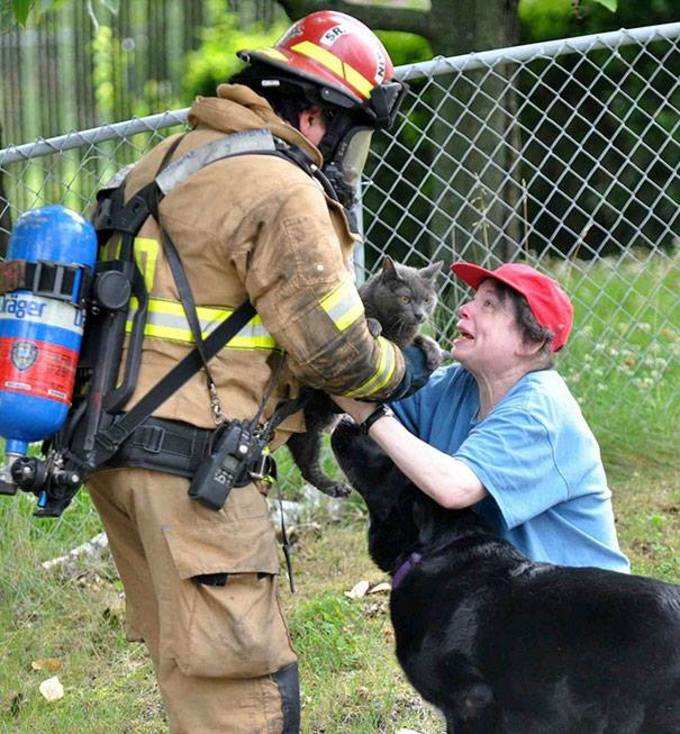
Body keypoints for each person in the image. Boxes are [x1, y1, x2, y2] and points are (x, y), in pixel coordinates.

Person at [85, 11, 432, 734]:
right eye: (352, 136)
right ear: (313, 117)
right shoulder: (280, 186)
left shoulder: (166, 160)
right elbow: (336, 353)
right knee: (245, 694)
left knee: (193, 668)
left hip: (114, 450)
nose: (349, 158)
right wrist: (410, 368)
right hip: (189, 467)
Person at [334, 261, 631, 573]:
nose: (464, 308)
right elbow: (358, 394)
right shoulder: (457, 384)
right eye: (473, 299)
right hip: (502, 593)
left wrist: (368, 415)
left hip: (581, 608)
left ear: (530, 342)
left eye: (488, 305)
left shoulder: (539, 411)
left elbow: (455, 488)